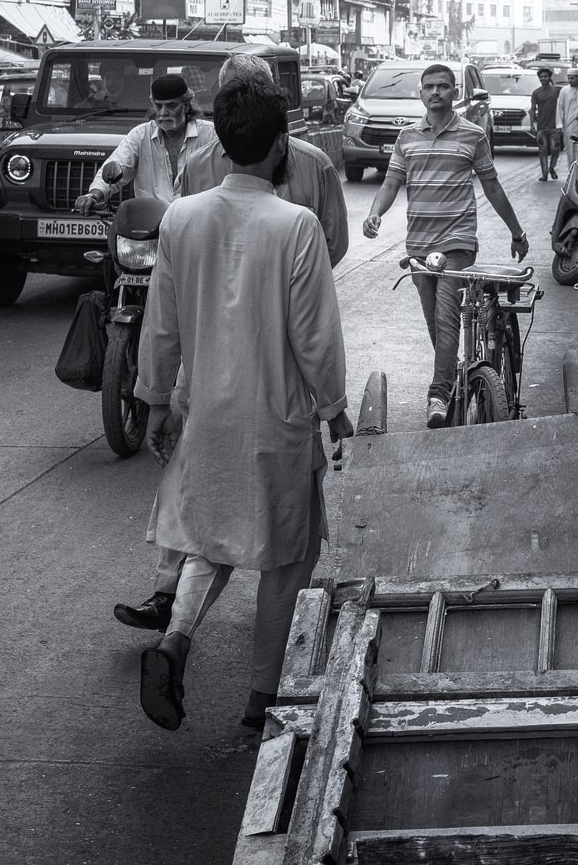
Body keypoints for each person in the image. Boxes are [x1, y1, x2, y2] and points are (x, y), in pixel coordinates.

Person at [132, 68, 350, 732]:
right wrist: (335, 408)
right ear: (281, 144)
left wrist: (153, 402)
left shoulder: (181, 218)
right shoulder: (297, 225)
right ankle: (261, 700)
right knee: (287, 557)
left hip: (205, 411)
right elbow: (315, 337)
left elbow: (160, 327)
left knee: (211, 539)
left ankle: (175, 642)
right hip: (275, 418)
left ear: (223, 144)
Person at [361, 63, 529, 428]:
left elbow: (493, 186)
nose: (435, 92)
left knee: (445, 315)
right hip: (418, 245)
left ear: (455, 93)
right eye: (429, 87)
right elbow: (391, 183)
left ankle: (438, 394)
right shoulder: (407, 138)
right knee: (435, 324)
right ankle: (453, 374)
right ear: (420, 93)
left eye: (442, 87)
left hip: (457, 242)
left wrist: (517, 232)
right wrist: (375, 213)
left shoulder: (472, 135)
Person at [177, 54, 348, 265]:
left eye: (256, 94)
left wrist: (289, 282)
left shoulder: (316, 165)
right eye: (236, 95)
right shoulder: (196, 166)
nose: (247, 104)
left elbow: (333, 244)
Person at [75, 73, 207, 212]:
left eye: (171, 106)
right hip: (149, 225)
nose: (163, 113)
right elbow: (119, 163)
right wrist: (93, 196)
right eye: (158, 106)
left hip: (194, 221)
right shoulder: (140, 135)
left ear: (186, 107)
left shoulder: (209, 135)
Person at [527, 67, 562, 181]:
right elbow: (532, 109)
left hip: (554, 126)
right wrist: (532, 124)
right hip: (541, 126)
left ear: (550, 77)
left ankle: (552, 167)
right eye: (541, 77)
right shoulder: (536, 93)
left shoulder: (557, 90)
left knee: (555, 149)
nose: (543, 78)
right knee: (542, 151)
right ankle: (545, 174)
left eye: (545, 76)